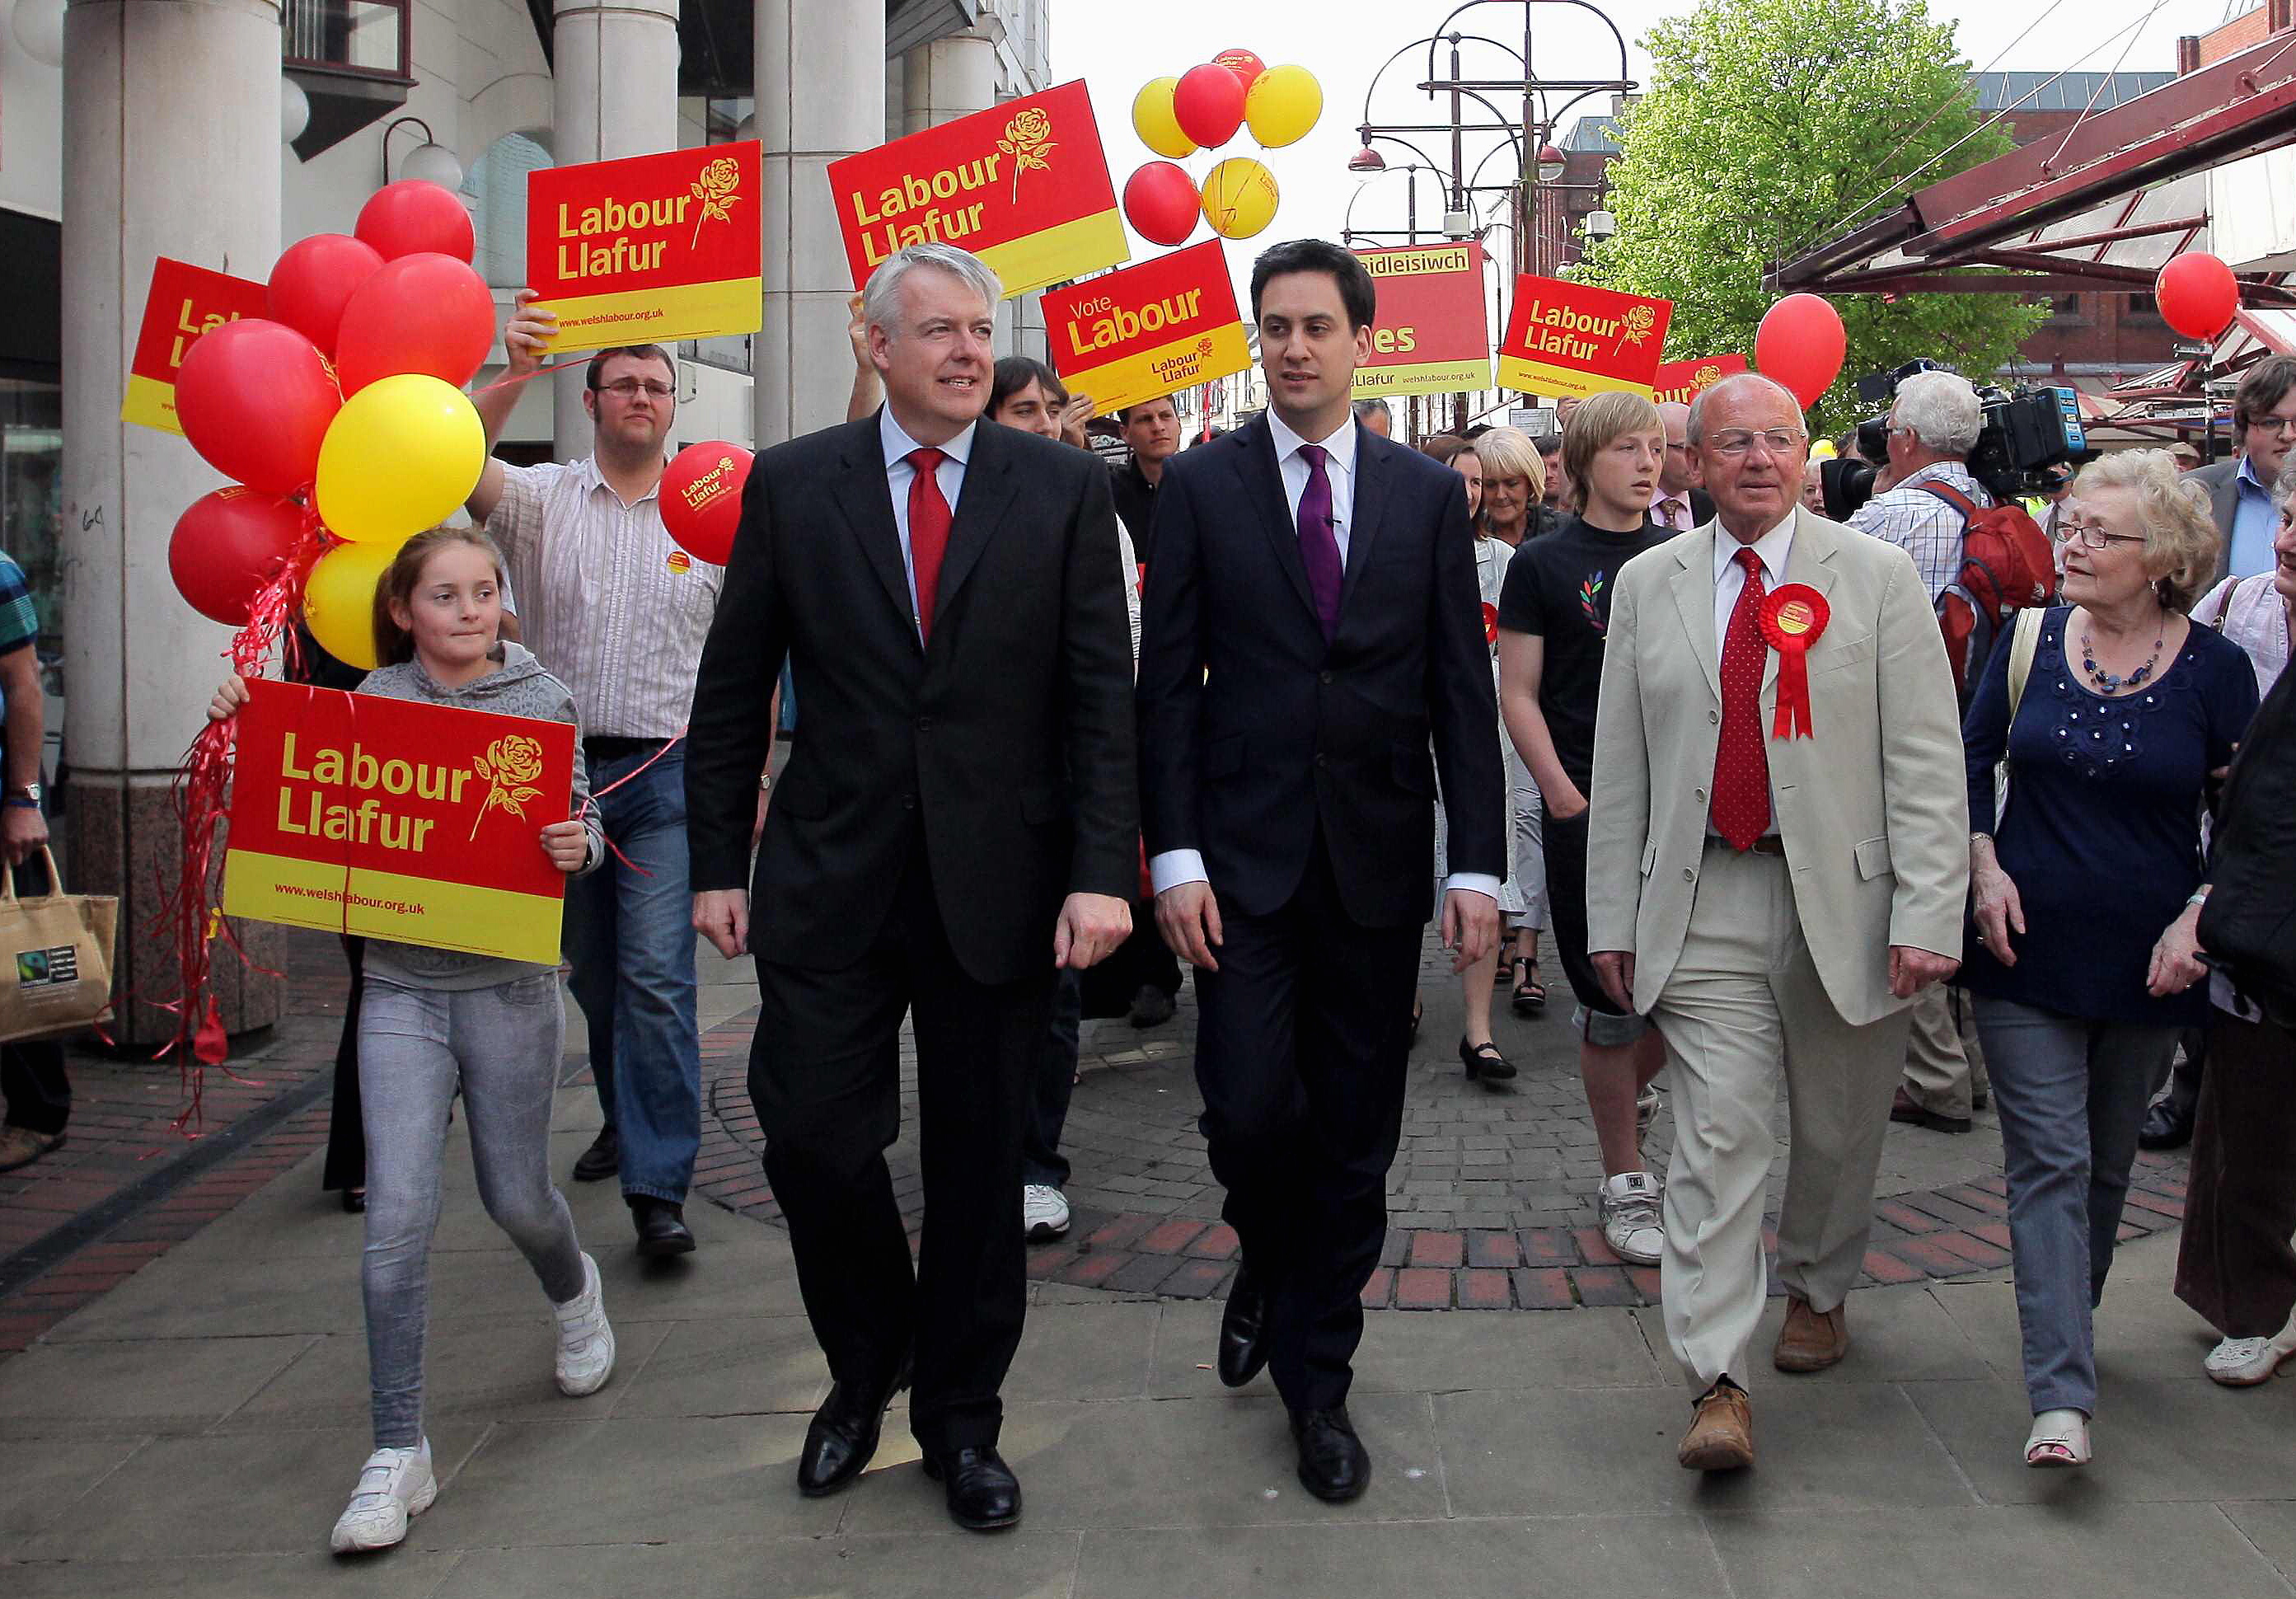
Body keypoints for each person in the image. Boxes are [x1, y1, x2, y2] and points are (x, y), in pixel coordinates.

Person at [685, 242, 1136, 1533]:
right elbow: (732, 690)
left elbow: (1104, 697)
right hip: (831, 879)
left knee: (984, 1172)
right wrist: (719, 859)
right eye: (933, 329)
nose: (962, 351)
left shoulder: (1058, 490)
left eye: (976, 329)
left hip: (1002, 882)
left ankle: (961, 1418)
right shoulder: (792, 486)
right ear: (870, 342)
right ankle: (865, 1360)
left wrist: (1101, 871)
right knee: (816, 1139)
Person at [1137, 238, 1503, 1503]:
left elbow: (1461, 689)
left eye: (1315, 327)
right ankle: (1266, 1255)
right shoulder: (1198, 486)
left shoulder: (1418, 496)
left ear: (1359, 343)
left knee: (1353, 1136)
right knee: (1245, 1110)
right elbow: (1164, 689)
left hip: (1376, 862)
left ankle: (1317, 1385)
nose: (1292, 346)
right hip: (1235, 866)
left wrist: (1481, 873)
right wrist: (1171, 852)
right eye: (1274, 325)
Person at [1585, 372, 1969, 1473]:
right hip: (1701, 899)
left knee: (1839, 1127)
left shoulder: (1878, 576)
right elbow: (1621, 765)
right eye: (1732, 442)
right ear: (1692, 464)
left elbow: (1926, 762)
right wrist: (1610, 913)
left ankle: (1818, 1284)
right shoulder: (1648, 585)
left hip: (1846, 900)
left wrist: (1929, 909)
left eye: (1777, 440)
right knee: (1716, 1140)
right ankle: (1715, 1379)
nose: (1757, 458)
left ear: (1805, 458)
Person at [209, 527, 614, 1554]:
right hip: (396, 990)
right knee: (394, 1218)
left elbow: (581, 821)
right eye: (445, 595)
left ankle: (573, 1291)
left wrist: (582, 842)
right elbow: (290, 804)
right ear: (403, 609)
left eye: (483, 592)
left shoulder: (543, 698)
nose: (469, 610)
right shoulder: (370, 705)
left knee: (517, 1195)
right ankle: (398, 1449)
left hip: (510, 992)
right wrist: (243, 732)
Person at [1959, 448, 2256, 1468]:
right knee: (2046, 1156)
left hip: (2149, 963)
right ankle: (2060, 1394)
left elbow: (2248, 817)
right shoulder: (2026, 638)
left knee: (2105, 1162)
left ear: (2161, 558)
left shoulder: (2218, 670)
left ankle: (2063, 1322)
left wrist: (2198, 917)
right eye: (2067, 523)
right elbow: (1964, 762)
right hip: (2020, 944)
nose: (2070, 544)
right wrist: (1980, 862)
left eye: (2098, 533)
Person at [468, 304, 726, 1258]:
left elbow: (739, 656)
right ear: (589, 401)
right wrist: (509, 371)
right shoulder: (541, 500)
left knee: (658, 978)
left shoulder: (710, 511)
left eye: (657, 386)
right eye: (623, 383)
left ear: (671, 406)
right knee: (599, 982)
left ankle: (660, 1187)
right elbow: (454, 464)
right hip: (557, 784)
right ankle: (628, 1111)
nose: (642, 398)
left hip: (665, 776)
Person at [1497, 393, 1675, 1264]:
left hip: (1677, 816)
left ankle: (1624, 1097)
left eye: (1656, 448)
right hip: (1586, 809)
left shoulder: (1683, 555)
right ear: (1580, 460)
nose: (1648, 463)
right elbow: (1518, 691)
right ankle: (1624, 1178)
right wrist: (1562, 794)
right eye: (1627, 449)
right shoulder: (1540, 562)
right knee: (1609, 997)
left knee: (1684, 995)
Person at [986, 354, 1142, 1246]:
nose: (1041, 422)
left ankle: (1036, 1163)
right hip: (970, 792)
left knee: (1052, 991)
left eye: (1051, 408)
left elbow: (1117, 643)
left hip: (1058, 784)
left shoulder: (1087, 502)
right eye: (1022, 409)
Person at [2145, 354, 2296, 1149]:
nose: (2285, 436)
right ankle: (2190, 1085)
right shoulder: (2205, 495)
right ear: (2246, 426)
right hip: (2230, 748)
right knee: (2217, 917)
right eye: (2273, 421)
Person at [1846, 370, 1998, 1139]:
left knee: (1907, 887)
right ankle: (1967, 1069)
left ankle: (1935, 1075)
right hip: (1981, 728)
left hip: (1899, 729)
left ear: (1903, 439)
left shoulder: (1892, 514)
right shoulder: (1994, 505)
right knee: (1958, 878)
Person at [2176, 457, 2296, 1387]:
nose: (2284, 538)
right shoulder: (2241, 607)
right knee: (2245, 1136)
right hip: (2256, 939)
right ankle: (2252, 1303)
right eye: (2285, 516)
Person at [1417, 432, 1511, 1077]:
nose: (1470, 493)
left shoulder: (1504, 560)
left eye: (1479, 482)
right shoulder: (1400, 550)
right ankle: (1405, 999)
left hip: (1484, 733)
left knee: (1479, 872)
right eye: (1458, 479)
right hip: (1406, 735)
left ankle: (1478, 1030)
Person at [1467, 426, 1552, 1012]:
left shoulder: (1554, 542)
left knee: (1530, 816)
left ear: (1532, 484)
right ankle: (1495, 927)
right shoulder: (1459, 547)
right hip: (1479, 705)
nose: (1498, 495)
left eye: (1507, 482)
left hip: (1537, 699)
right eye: (1485, 483)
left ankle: (1527, 948)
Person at [0, 548, 61, 1175]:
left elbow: (23, 688)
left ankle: (39, 1114)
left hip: (3, 799)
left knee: (22, 958)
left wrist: (22, 798)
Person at [1111, 396, 1181, 565]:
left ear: (1179, 424)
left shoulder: (1206, 486)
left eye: (1165, 416)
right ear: (1125, 433)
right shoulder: (1108, 492)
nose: (1158, 427)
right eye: (1145, 419)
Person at [1651, 401, 1716, 531]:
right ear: (1656, 449)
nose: (1698, 459)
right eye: (1684, 449)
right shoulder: (1626, 508)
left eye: (1701, 448)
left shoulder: (1714, 506)